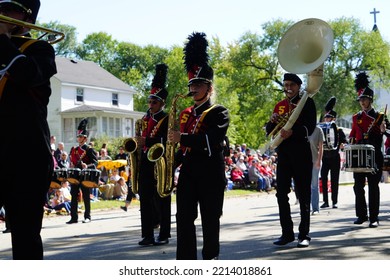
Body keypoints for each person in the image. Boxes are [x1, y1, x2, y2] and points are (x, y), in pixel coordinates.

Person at [0, 0, 57, 259]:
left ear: (28, 18)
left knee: (25, 235)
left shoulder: (40, 49)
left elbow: (26, 74)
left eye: (9, 8)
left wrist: (2, 39)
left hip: (27, 153)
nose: (1, 13)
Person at [168, 32, 230, 259]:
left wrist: (181, 139)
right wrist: (167, 164)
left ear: (209, 88)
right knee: (183, 218)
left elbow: (211, 142)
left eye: (198, 84)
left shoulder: (219, 112)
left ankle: (211, 259)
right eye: (191, 84)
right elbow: (183, 148)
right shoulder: (185, 114)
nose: (193, 89)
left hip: (210, 172)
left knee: (210, 218)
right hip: (188, 172)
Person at [265, 73, 316, 248]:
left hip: (301, 153)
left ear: (298, 86)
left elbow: (310, 127)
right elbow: (270, 131)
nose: (287, 88)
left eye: (291, 85)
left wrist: (293, 132)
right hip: (284, 155)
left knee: (303, 194)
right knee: (281, 194)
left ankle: (304, 234)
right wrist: (271, 123)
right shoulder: (280, 105)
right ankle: (287, 233)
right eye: (285, 85)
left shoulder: (307, 102)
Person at [135, 63, 171, 246]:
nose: (150, 105)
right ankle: (147, 234)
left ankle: (164, 234)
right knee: (145, 199)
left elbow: (169, 141)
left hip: (161, 162)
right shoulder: (144, 119)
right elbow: (139, 139)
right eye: (149, 101)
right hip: (145, 163)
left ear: (162, 103)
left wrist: (147, 142)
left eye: (154, 102)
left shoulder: (167, 118)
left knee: (161, 199)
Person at [349, 72, 385, 228]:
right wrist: (348, 143)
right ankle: (361, 215)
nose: (362, 102)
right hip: (359, 154)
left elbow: (387, 131)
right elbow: (352, 134)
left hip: (374, 154)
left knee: (373, 186)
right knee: (358, 186)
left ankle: (374, 217)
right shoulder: (355, 117)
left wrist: (384, 129)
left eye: (364, 99)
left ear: (370, 99)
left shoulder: (379, 116)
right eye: (360, 100)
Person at [66, 118, 98, 224]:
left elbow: (95, 163)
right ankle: (73, 217)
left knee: (85, 196)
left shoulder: (89, 149)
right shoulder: (73, 149)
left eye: (80, 136)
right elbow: (72, 161)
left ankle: (87, 216)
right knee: (73, 195)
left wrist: (87, 166)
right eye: (78, 136)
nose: (78, 138)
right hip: (75, 175)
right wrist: (71, 164)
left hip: (85, 175)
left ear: (85, 138)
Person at [320, 97, 347, 209]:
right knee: (324, 178)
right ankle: (325, 201)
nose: (327, 119)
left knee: (335, 180)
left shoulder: (338, 130)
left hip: (335, 157)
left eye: (329, 118)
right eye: (326, 117)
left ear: (334, 119)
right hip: (325, 157)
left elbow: (344, 142)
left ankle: (334, 201)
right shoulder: (321, 129)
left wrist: (342, 145)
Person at [308, 125, 324, 214]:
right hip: (304, 162)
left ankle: (315, 208)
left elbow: (321, 147)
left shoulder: (318, 130)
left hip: (315, 161)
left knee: (314, 185)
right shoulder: (303, 128)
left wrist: (319, 160)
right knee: (305, 186)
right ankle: (305, 207)